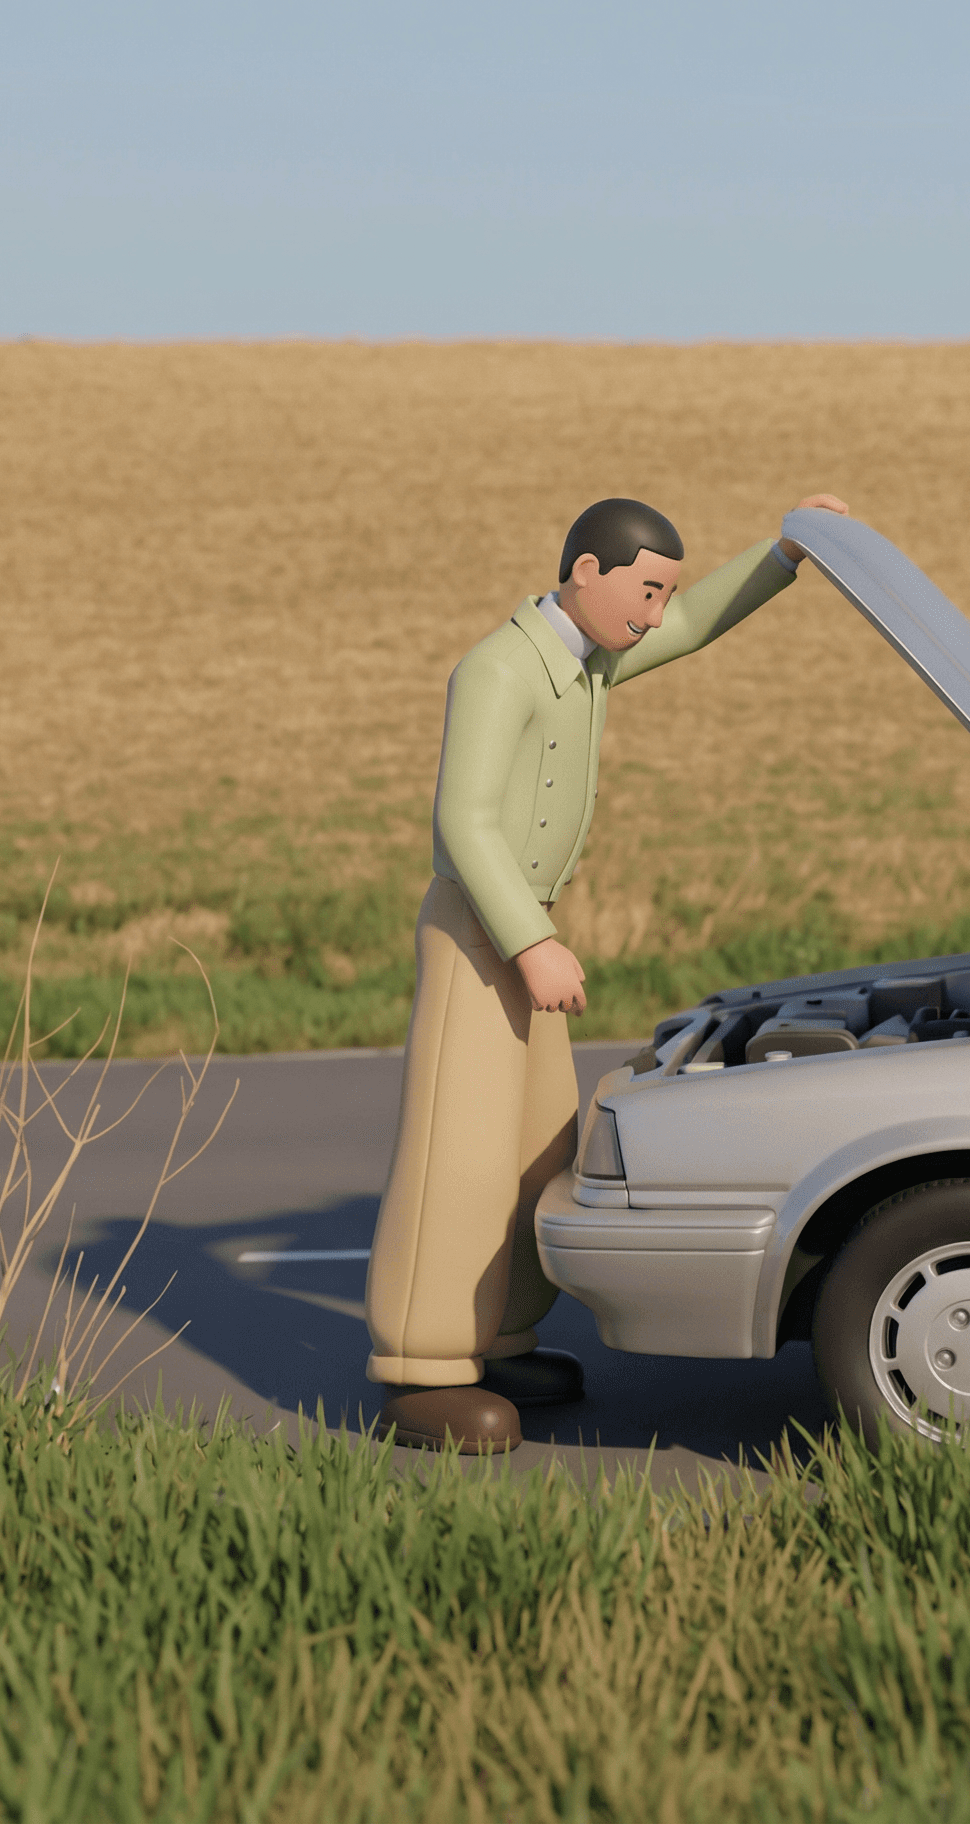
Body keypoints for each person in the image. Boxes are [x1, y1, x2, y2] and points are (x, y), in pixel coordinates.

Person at [365, 491, 850, 1451]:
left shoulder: (585, 663)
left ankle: (495, 1333)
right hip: (481, 933)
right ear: (586, 572)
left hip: (526, 931)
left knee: (535, 1146)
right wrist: (530, 943)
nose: (658, 610)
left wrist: (787, 552)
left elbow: (700, 624)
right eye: (647, 589)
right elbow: (465, 822)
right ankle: (422, 1365)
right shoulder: (501, 671)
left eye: (663, 591)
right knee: (455, 1153)